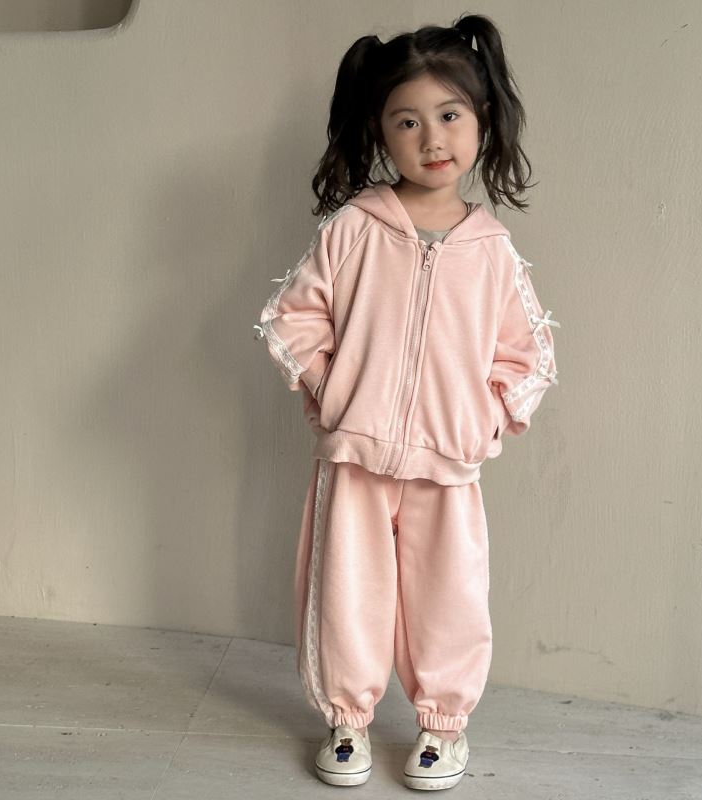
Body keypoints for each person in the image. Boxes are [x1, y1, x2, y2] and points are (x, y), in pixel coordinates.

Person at [253, 12, 561, 791]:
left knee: (448, 599)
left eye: (450, 115)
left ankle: (440, 729)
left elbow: (528, 356)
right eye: (408, 121)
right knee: (346, 592)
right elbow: (293, 320)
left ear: (482, 120)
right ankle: (347, 721)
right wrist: (334, 393)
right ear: (380, 132)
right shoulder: (353, 229)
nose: (432, 138)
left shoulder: (491, 250)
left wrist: (484, 421)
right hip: (356, 455)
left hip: (448, 463)